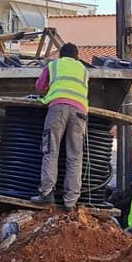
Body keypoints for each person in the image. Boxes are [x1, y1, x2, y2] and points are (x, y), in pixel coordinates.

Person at [30, 42, 88, 211]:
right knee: (75, 156)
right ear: (77, 56)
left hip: (57, 109)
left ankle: (47, 193)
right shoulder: (84, 71)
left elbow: (39, 87)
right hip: (79, 112)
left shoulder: (53, 65)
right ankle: (71, 201)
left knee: (51, 151)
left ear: (61, 55)